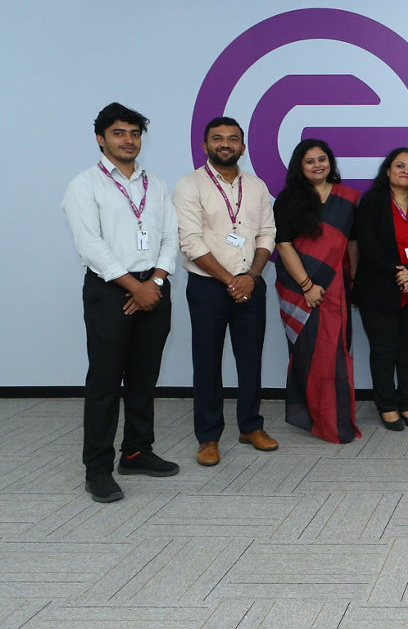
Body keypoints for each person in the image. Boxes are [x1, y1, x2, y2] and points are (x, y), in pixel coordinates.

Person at [62, 102, 180, 502]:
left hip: (155, 288)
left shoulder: (157, 185)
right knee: (105, 382)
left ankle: (136, 451)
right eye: (118, 133)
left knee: (145, 377)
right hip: (109, 290)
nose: (128, 140)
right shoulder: (84, 185)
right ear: (101, 138)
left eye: (134, 133)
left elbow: (170, 237)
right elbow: (90, 245)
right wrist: (134, 286)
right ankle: (97, 468)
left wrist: (156, 281)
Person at [173, 117, 277, 467]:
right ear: (205, 146)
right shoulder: (190, 186)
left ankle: (250, 426)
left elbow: (267, 233)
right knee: (207, 363)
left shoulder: (257, 186)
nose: (225, 144)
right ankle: (208, 437)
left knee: (250, 361)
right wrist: (229, 280)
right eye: (217, 138)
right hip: (207, 287)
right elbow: (189, 241)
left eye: (233, 139)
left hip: (251, 283)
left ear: (243, 147)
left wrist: (252, 275)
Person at [273, 139, 361, 444]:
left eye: (322, 159)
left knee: (336, 354)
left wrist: (353, 281)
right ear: (300, 166)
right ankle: (312, 416)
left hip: (336, 288)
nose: (317, 165)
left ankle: (335, 421)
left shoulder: (348, 198)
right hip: (299, 290)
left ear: (331, 162)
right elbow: (283, 244)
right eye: (309, 161)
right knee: (309, 354)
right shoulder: (288, 199)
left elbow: (352, 243)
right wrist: (307, 286)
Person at [353, 147, 408, 432]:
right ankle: (387, 406)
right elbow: (367, 244)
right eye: (400, 166)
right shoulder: (373, 202)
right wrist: (398, 272)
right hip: (379, 288)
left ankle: (407, 403)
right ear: (387, 171)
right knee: (384, 350)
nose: (406, 171)